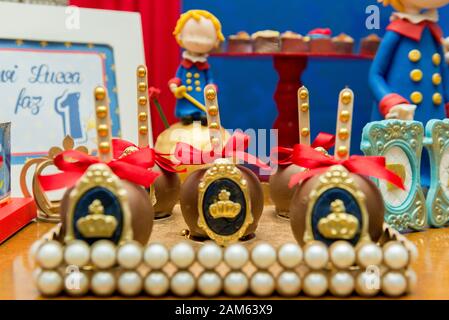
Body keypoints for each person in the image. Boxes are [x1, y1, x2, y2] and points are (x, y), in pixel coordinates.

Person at [369, 0, 449, 187]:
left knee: (433, 159)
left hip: (434, 117)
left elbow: (442, 76)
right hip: (403, 116)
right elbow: (375, 75)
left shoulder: (434, 32)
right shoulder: (397, 32)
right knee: (401, 160)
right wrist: (391, 102)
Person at [169, 10, 224, 125]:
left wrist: (211, 87)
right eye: (192, 36)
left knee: (201, 104)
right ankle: (186, 115)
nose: (198, 41)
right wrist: (174, 85)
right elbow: (178, 77)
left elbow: (209, 79)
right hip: (186, 94)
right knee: (186, 106)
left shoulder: (204, 65)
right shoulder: (184, 64)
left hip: (200, 95)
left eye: (206, 38)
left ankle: (201, 115)